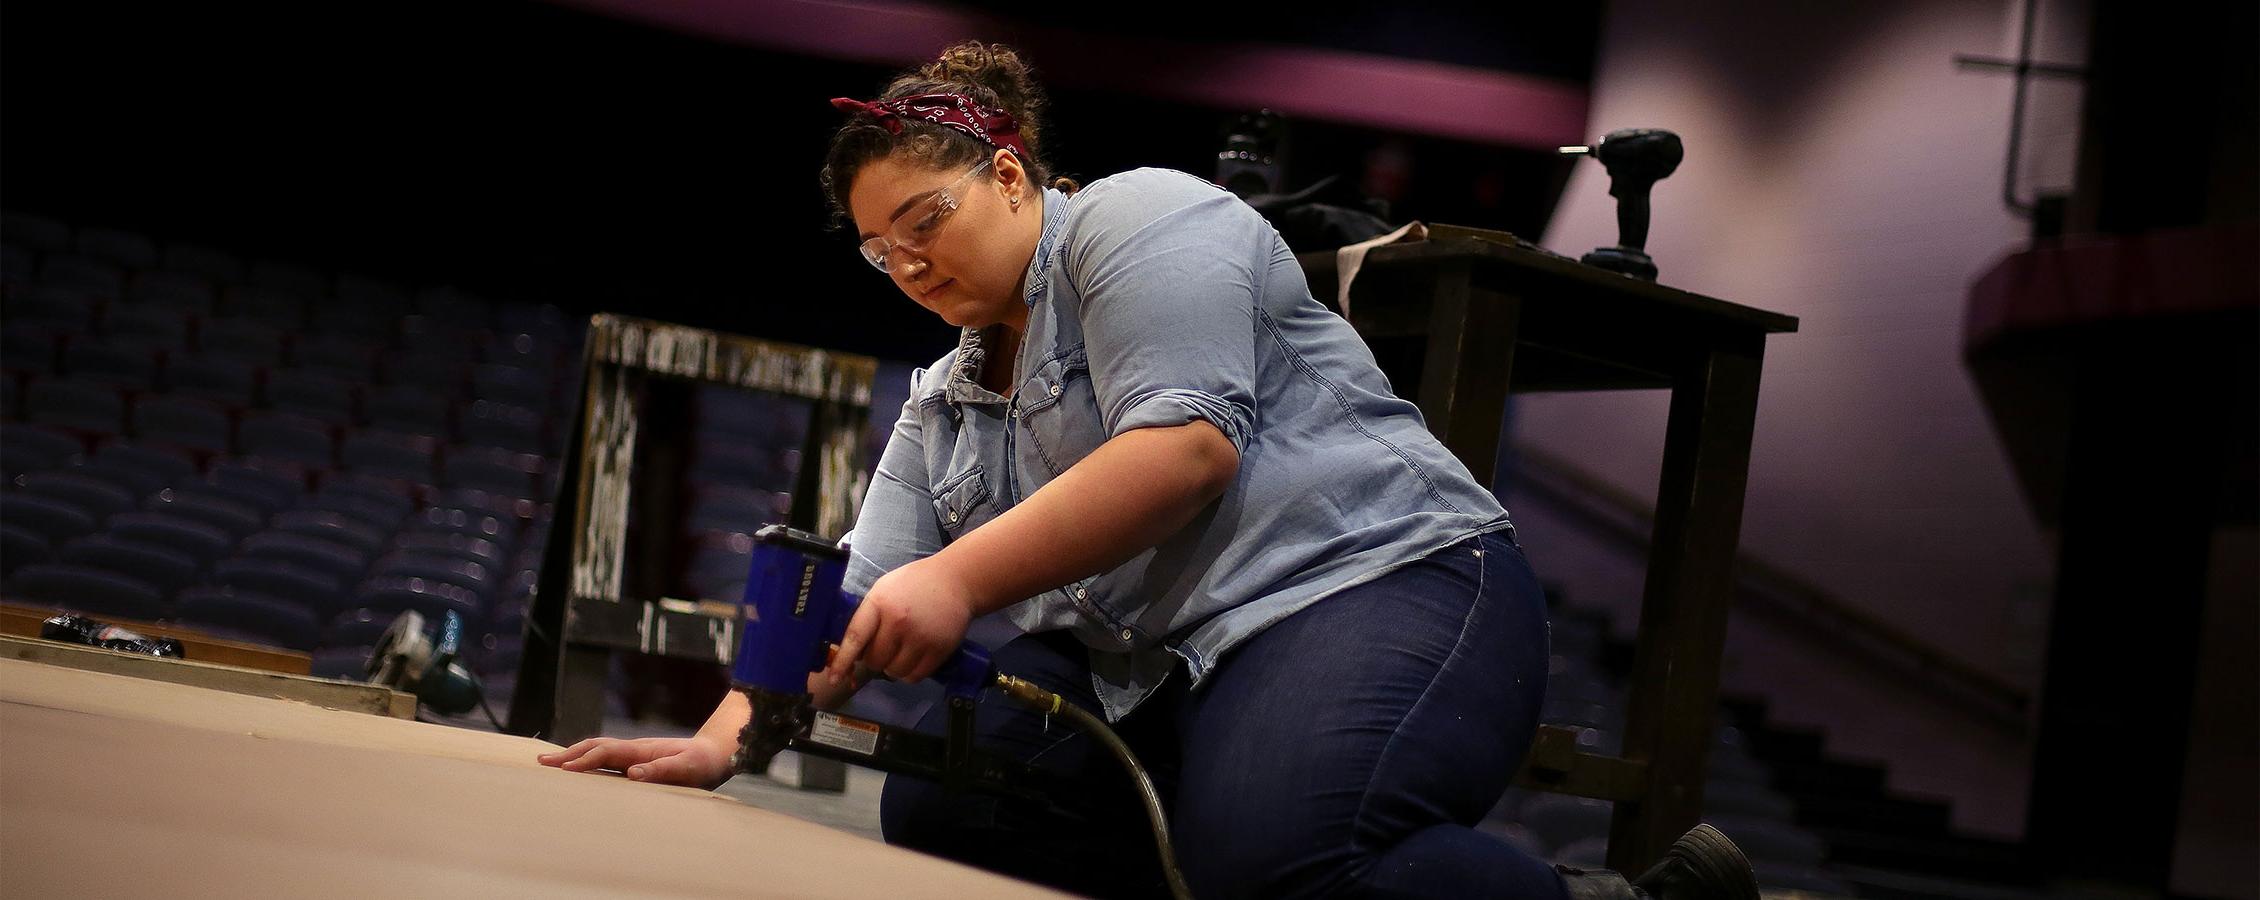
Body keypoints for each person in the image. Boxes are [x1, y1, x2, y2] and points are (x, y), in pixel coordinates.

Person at [540, 42, 1755, 900]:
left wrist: (957, 582)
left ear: (1008, 176)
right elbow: (857, 595)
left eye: (925, 222)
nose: (906, 264)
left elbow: (1185, 451)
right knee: (952, 805)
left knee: (1280, 860)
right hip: (1167, 667)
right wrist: (727, 734)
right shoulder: (943, 399)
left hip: (1376, 585)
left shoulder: (1144, 218)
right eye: (877, 251)